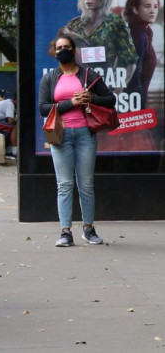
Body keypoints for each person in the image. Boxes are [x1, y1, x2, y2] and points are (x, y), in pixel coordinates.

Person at [38, 35, 116, 248]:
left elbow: (111, 99)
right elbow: (43, 107)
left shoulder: (88, 74)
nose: (63, 50)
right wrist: (71, 102)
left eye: (67, 47)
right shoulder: (50, 78)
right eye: (59, 47)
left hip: (85, 134)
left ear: (74, 50)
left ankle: (88, 229)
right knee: (64, 184)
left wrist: (91, 98)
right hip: (61, 135)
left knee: (86, 184)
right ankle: (65, 232)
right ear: (54, 52)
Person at [49, 0, 137, 89]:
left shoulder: (115, 23)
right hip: (77, 90)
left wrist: (117, 91)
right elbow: (57, 56)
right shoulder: (74, 25)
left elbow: (131, 61)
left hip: (106, 88)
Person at [124, 0, 160, 105]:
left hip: (139, 93)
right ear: (135, 10)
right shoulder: (138, 33)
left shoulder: (146, 31)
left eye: (155, 7)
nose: (152, 11)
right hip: (134, 95)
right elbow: (134, 69)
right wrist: (137, 99)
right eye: (147, 6)